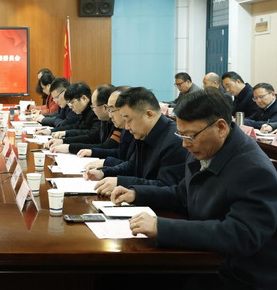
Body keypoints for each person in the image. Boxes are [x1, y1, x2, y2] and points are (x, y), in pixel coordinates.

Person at [111, 88, 277, 289]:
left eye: (189, 136)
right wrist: (137, 193)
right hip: (206, 258)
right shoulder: (204, 149)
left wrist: (161, 228)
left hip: (236, 274)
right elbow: (183, 194)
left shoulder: (254, 169)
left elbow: (240, 234)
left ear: (221, 127)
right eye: (180, 135)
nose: (184, 144)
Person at [84, 87, 187, 196]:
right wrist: (103, 172)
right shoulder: (144, 132)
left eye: (129, 120)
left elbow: (165, 187)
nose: (127, 127)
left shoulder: (175, 140)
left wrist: (120, 182)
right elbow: (133, 166)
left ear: (149, 114)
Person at [48, 84, 117, 154]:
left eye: (93, 106)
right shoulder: (102, 118)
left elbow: (96, 140)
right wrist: (64, 139)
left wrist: (69, 146)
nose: (70, 107)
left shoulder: (110, 120)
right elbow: (79, 127)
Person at [82, 86, 135, 169]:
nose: (110, 115)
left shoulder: (138, 131)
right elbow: (121, 153)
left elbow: (134, 167)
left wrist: (105, 163)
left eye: (111, 110)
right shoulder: (125, 129)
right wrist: (93, 152)